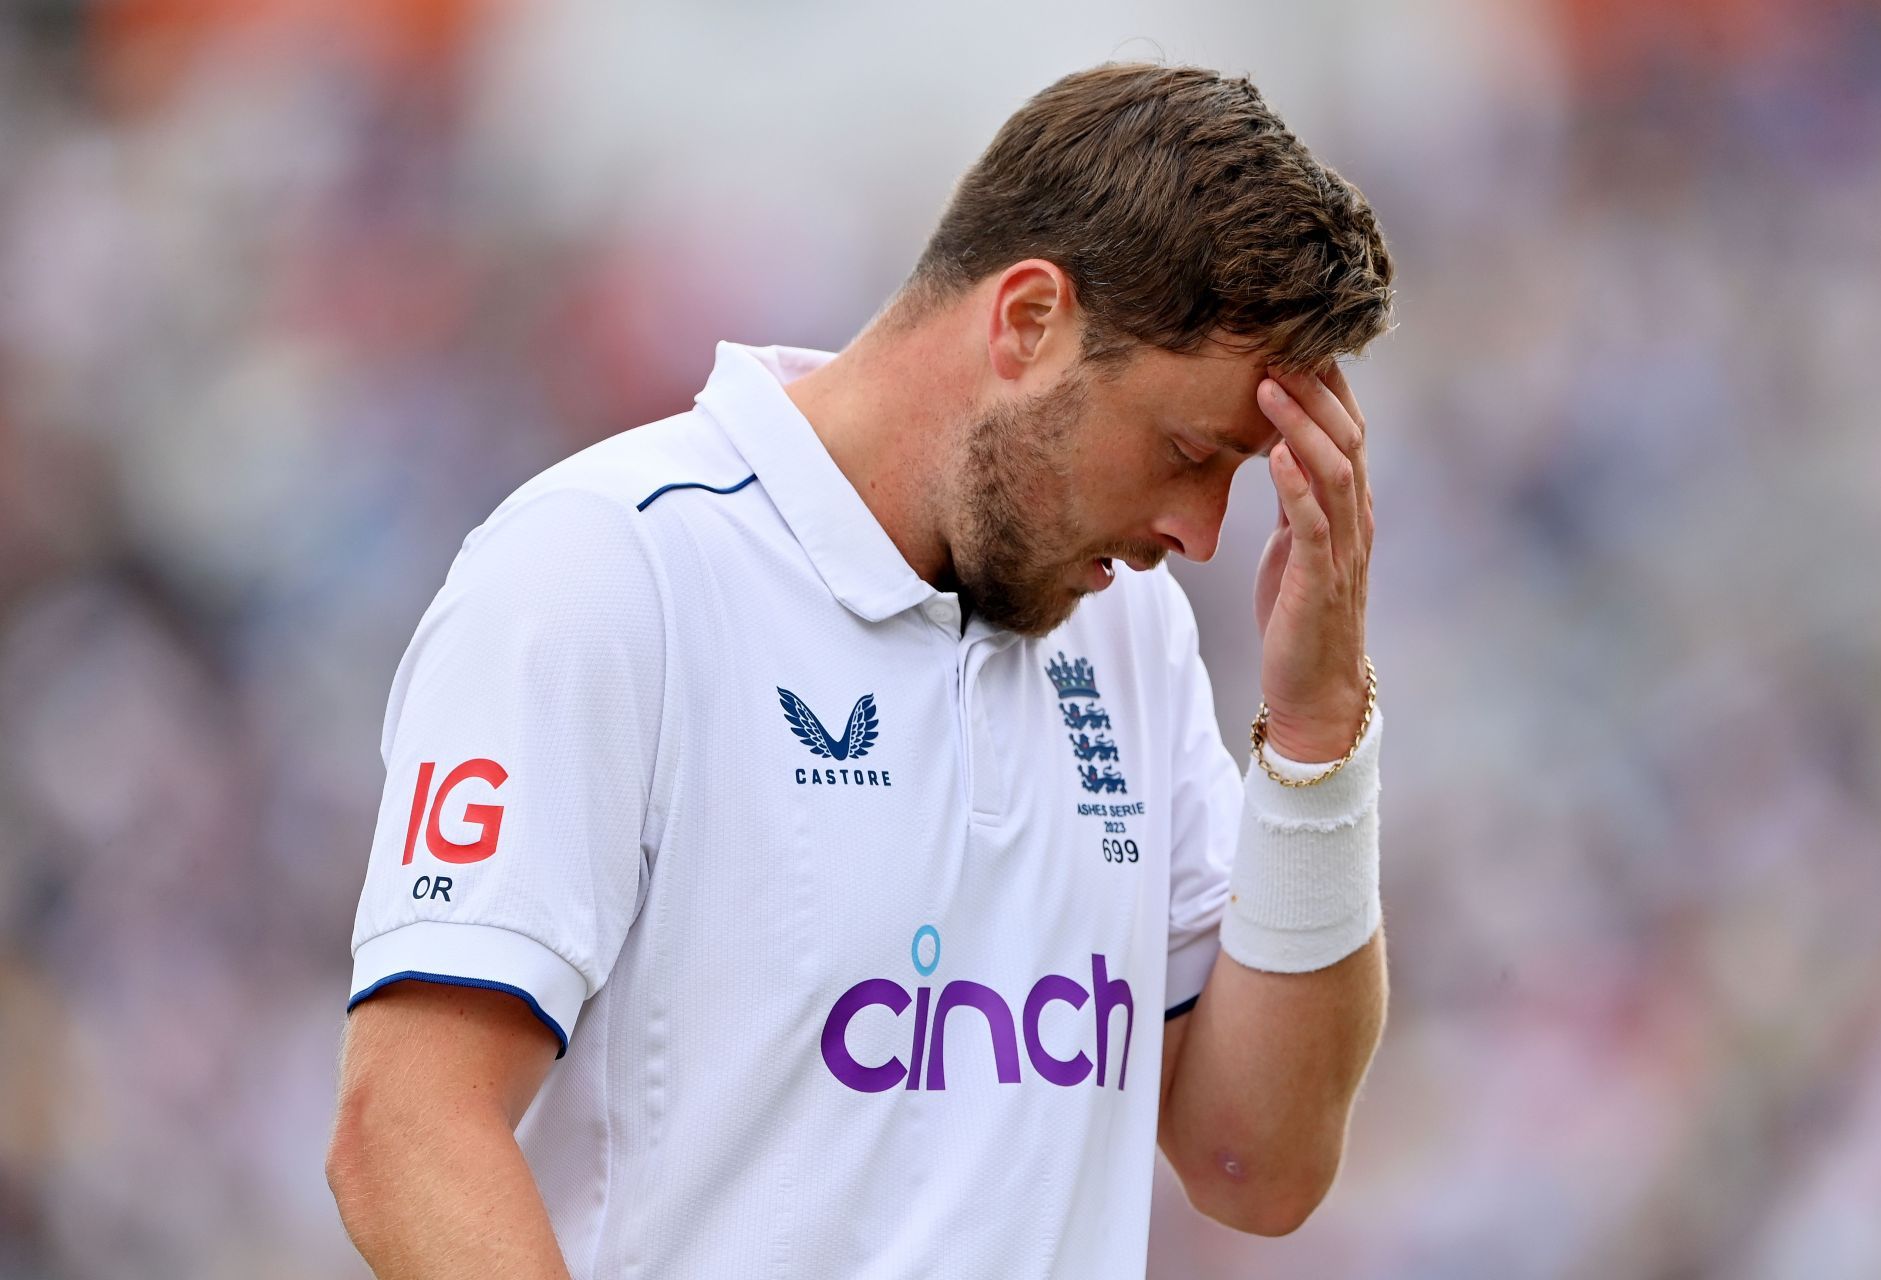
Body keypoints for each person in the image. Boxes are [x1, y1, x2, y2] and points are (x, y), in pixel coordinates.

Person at [326, 60, 1394, 1278]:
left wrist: (1315, 736)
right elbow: (406, 1126)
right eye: (1189, 450)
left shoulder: (1127, 632)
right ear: (1029, 320)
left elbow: (1259, 1163)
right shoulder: (608, 567)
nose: (1200, 536)